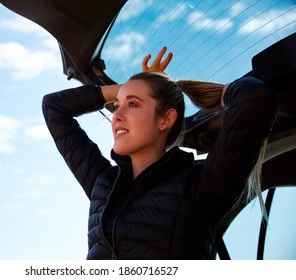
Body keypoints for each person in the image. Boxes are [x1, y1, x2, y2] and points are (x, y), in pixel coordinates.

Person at [42, 47, 276, 259]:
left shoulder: (201, 185)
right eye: (117, 105)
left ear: (166, 119)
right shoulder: (103, 182)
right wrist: (129, 88)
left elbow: (254, 98)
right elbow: (53, 107)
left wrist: (221, 93)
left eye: (132, 104)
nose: (117, 115)